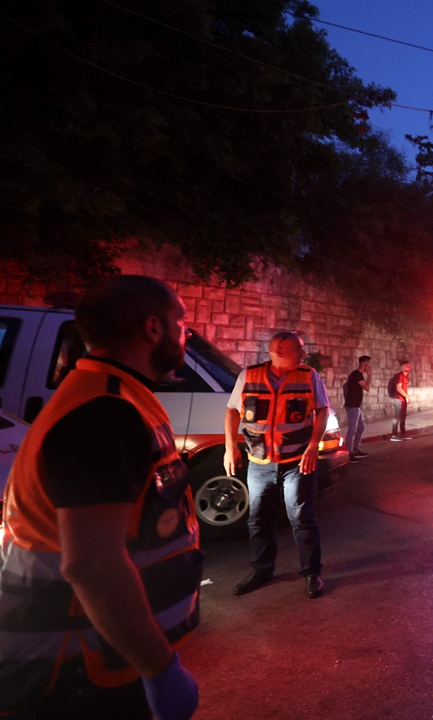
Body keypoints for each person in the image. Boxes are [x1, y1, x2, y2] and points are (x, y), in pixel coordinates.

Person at [0, 275, 201, 720]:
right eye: (181, 323)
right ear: (153, 328)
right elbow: (92, 564)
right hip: (76, 668)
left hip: (99, 654)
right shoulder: (105, 412)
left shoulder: (116, 395)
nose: (186, 333)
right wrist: (159, 667)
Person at [225, 331, 330, 599]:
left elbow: (322, 410)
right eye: (299, 349)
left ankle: (312, 573)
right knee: (258, 519)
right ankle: (262, 570)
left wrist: (312, 448)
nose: (304, 354)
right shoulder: (249, 376)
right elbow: (232, 410)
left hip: (296, 461)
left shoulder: (308, 376)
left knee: (301, 518)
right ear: (280, 351)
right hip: (259, 461)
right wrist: (230, 447)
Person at [343, 355, 371, 460]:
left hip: (356, 406)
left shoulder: (356, 375)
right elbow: (367, 388)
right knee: (352, 429)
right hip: (352, 406)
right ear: (366, 365)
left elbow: (345, 386)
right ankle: (348, 454)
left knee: (361, 427)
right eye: (369, 365)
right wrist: (369, 376)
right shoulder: (357, 375)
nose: (370, 367)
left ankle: (355, 450)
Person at [388, 360, 412, 441]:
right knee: (397, 418)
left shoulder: (406, 376)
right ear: (402, 367)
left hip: (403, 400)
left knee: (403, 417)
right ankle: (394, 435)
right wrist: (407, 396)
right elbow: (399, 388)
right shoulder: (400, 376)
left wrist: (406, 398)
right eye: (407, 366)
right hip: (398, 399)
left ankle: (403, 434)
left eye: (409, 366)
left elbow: (404, 389)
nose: (409, 367)